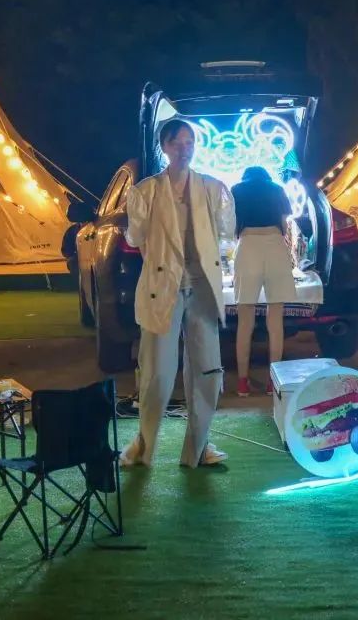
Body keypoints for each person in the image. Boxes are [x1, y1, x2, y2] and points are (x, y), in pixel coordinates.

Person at [121, 119, 236, 466]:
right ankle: (144, 445)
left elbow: (226, 235)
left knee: (207, 370)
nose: (184, 149)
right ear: (164, 147)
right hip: (162, 288)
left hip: (202, 287)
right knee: (157, 371)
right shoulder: (146, 192)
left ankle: (199, 447)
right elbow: (136, 238)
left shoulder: (214, 189)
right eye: (177, 143)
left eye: (189, 142)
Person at [230, 166, 295, 397]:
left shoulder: (236, 190)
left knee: (245, 322)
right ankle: (272, 381)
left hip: (247, 246)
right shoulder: (277, 189)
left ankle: (242, 382)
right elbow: (285, 224)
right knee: (275, 320)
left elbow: (230, 224)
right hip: (275, 246)